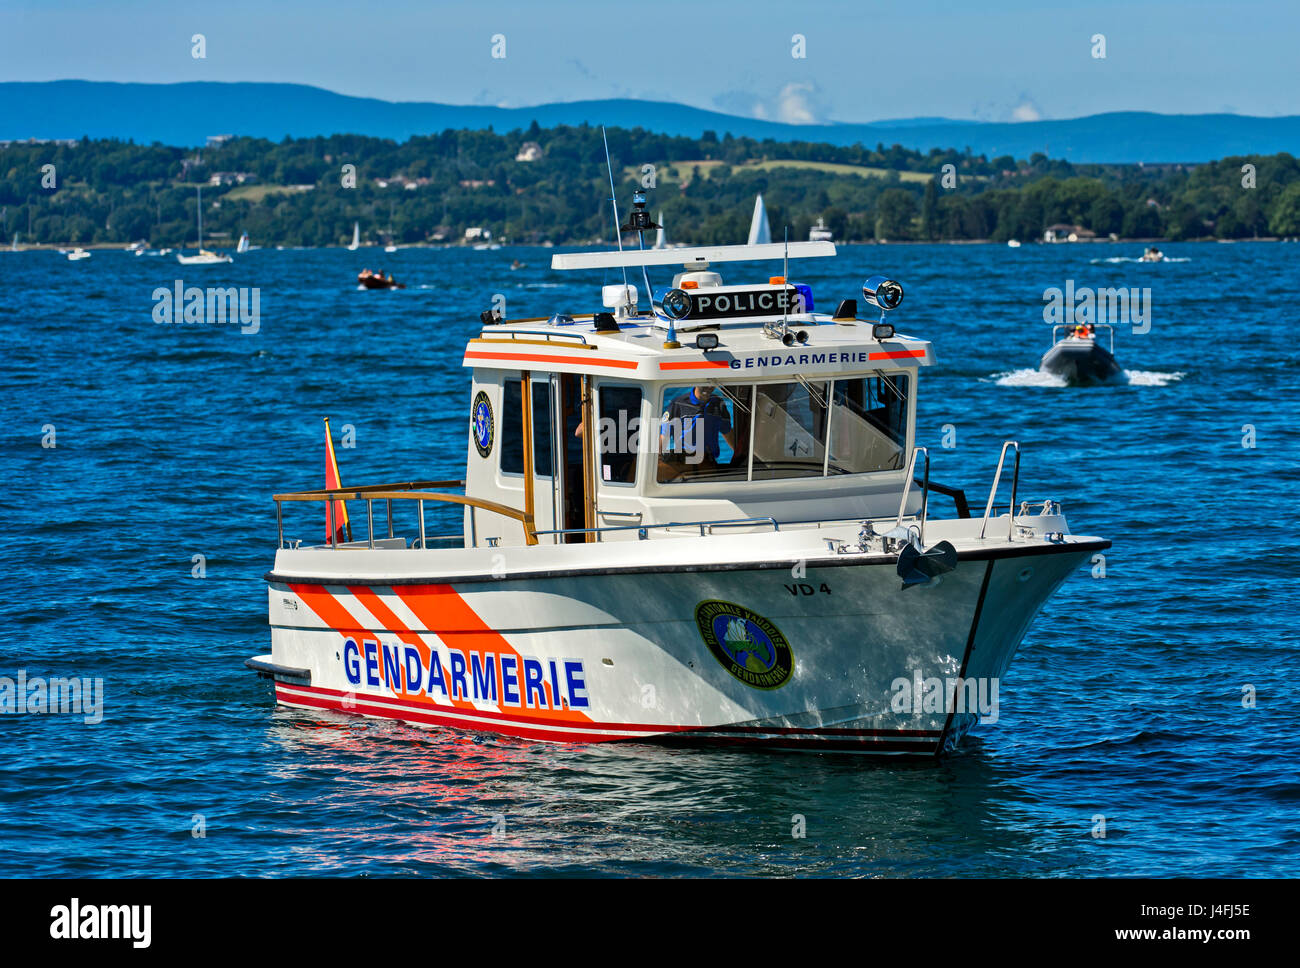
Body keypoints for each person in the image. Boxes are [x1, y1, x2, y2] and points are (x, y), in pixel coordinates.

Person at [660, 385, 734, 464]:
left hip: (709, 463)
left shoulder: (718, 403)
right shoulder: (678, 403)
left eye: (712, 384)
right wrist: (657, 462)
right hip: (685, 464)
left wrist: (741, 455)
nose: (709, 387)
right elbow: (664, 435)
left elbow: (727, 432)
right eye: (705, 384)